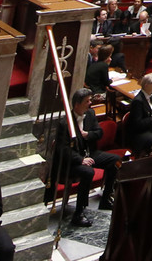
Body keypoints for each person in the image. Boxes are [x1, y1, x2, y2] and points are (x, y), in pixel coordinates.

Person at [51, 88, 120, 224]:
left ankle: (106, 198)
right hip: (72, 161)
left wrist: (88, 135)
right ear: (77, 104)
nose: (90, 103)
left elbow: (99, 132)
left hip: (90, 153)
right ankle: (79, 212)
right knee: (88, 172)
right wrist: (81, 160)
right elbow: (63, 149)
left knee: (115, 161)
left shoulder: (90, 114)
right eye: (87, 101)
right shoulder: (65, 123)